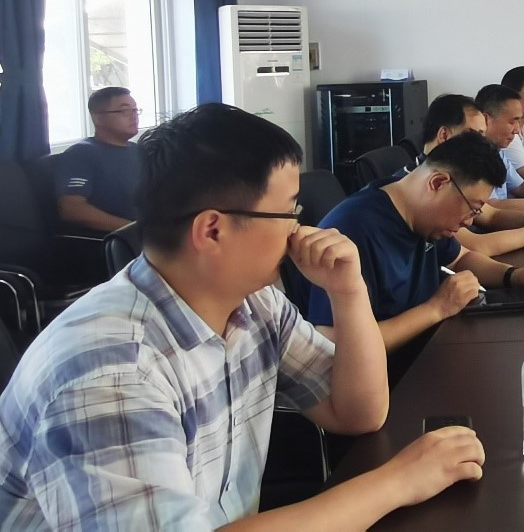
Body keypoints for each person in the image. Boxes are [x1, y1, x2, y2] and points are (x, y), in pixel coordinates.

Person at [0, 102, 486, 528]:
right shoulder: (111, 372)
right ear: (212, 230)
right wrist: (398, 482)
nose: (300, 229)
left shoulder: (255, 303)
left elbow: (357, 412)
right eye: (289, 212)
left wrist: (348, 291)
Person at [308, 131, 524, 355]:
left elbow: (461, 257)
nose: (468, 222)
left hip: (430, 347)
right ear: (438, 183)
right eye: (472, 208)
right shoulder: (352, 231)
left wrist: (514, 275)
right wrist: (437, 308)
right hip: (390, 379)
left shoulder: (419, 213)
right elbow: (337, 345)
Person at [417, 93, 524, 255]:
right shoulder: (430, 184)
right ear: (444, 135)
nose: (481, 144)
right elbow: (474, 247)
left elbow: (492, 215)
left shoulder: (455, 172)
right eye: (474, 136)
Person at [56, 85, 141, 233]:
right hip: (116, 239)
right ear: (98, 118)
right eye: (124, 110)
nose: (133, 116)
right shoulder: (82, 153)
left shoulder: (138, 150)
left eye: (135, 110)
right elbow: (72, 209)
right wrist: (135, 229)